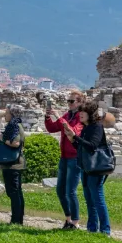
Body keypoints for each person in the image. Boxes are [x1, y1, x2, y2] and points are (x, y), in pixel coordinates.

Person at [67, 101, 111, 236]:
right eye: (80, 112)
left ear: (90, 114)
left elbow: (92, 146)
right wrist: (72, 140)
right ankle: (92, 228)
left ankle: (105, 230)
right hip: (86, 167)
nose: (80, 114)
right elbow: (82, 147)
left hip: (96, 167)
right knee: (89, 198)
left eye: (83, 112)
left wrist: (76, 137)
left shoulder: (96, 126)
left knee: (97, 197)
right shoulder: (86, 128)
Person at [46, 91, 85, 230]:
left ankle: (75, 222)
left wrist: (58, 116)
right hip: (64, 156)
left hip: (74, 157)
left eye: (72, 101)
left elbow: (73, 131)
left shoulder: (81, 117)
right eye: (68, 101)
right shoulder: (68, 115)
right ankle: (68, 219)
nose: (69, 103)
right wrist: (48, 116)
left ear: (80, 103)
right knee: (60, 190)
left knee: (71, 191)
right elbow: (52, 128)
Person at [0, 104, 26, 224]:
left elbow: (16, 143)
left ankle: (16, 220)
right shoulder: (13, 125)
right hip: (11, 163)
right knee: (15, 192)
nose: (5, 115)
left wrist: (2, 138)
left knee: (14, 192)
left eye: (7, 113)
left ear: (12, 114)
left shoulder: (14, 126)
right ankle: (17, 219)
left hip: (13, 163)